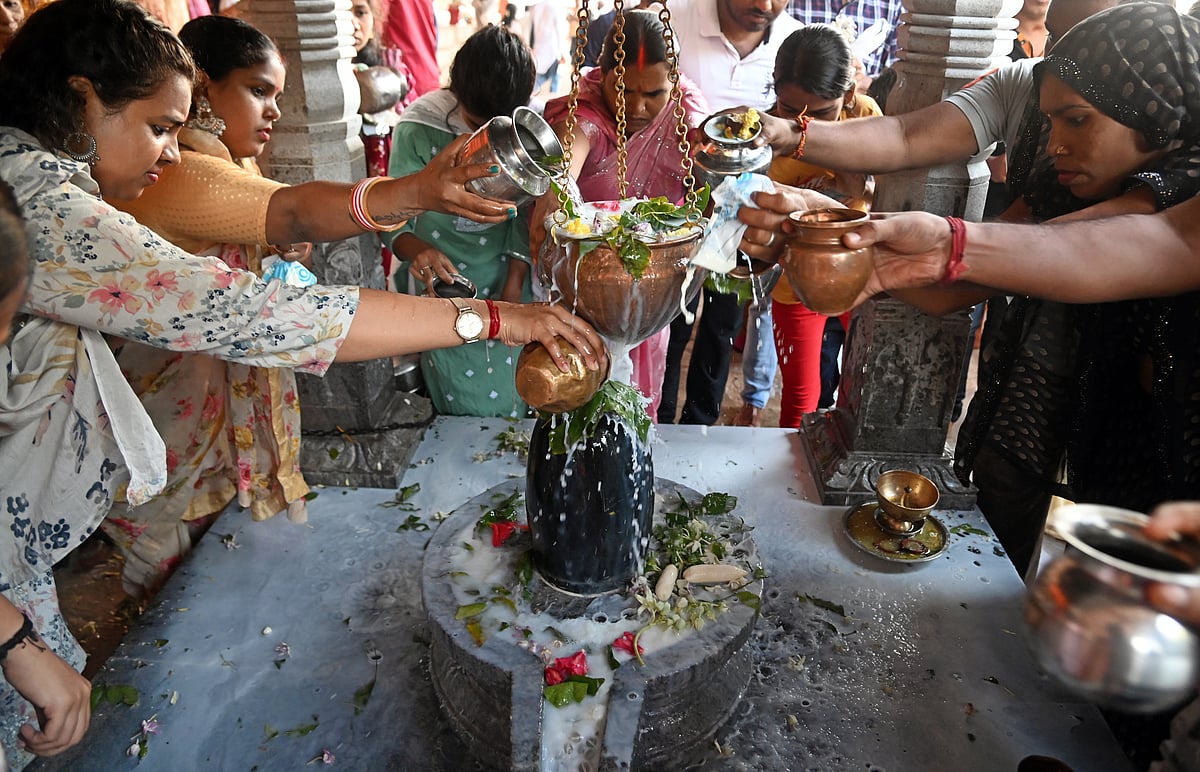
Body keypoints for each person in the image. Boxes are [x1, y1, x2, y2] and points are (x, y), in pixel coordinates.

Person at [0, 0, 605, 765]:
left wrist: (415, 196)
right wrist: (493, 318)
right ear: (84, 96)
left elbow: (280, 219)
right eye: (160, 127)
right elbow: (260, 307)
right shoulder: (40, 207)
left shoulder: (44, 183)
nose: (173, 153)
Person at [744, 4, 1200, 579]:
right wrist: (837, 227)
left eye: (1078, 118)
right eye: (1056, 38)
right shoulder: (1052, 173)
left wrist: (938, 247)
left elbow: (1102, 247)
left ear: (1149, 97)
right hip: (1037, 382)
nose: (1054, 141)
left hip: (1165, 444)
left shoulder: (1172, 199)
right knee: (1025, 517)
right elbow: (961, 258)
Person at [537, 10, 709, 419]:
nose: (638, 106)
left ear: (674, 84)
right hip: (586, 286)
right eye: (624, 89)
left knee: (641, 393)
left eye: (654, 94)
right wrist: (553, 190)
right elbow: (565, 160)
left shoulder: (686, 112)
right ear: (602, 74)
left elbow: (709, 164)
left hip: (653, 281)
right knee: (578, 389)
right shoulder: (584, 115)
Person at [385, 25, 540, 418]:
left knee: (514, 394)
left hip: (507, 276)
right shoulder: (420, 128)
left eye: (498, 125)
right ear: (455, 93)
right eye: (475, 121)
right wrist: (418, 251)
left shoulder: (527, 131)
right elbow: (391, 221)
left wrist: (513, 285)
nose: (485, 133)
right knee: (458, 403)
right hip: (441, 289)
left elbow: (523, 216)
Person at [660, 0, 801, 427]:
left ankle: (701, 423)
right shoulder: (674, 22)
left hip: (745, 221)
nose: (764, 5)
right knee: (670, 323)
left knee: (722, 326)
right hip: (672, 211)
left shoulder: (794, 42)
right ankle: (657, 418)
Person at [751, 25, 879, 430]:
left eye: (821, 114)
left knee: (862, 387)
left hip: (861, 271)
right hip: (797, 281)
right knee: (801, 398)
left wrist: (824, 141)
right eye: (791, 110)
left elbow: (866, 190)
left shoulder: (867, 117)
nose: (803, 124)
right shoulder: (761, 138)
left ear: (850, 94)